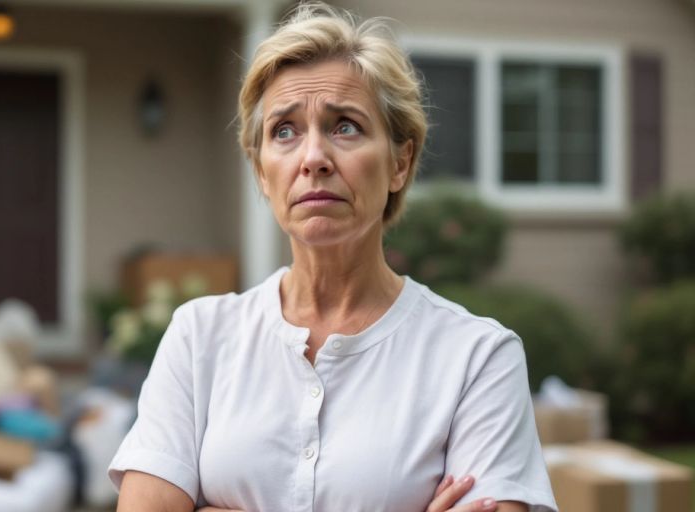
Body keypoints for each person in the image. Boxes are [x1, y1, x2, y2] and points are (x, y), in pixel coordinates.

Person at [108, 3, 558, 511]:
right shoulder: (199, 337)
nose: (313, 158)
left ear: (399, 163)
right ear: (261, 171)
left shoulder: (477, 359)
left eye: (345, 126)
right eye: (284, 131)